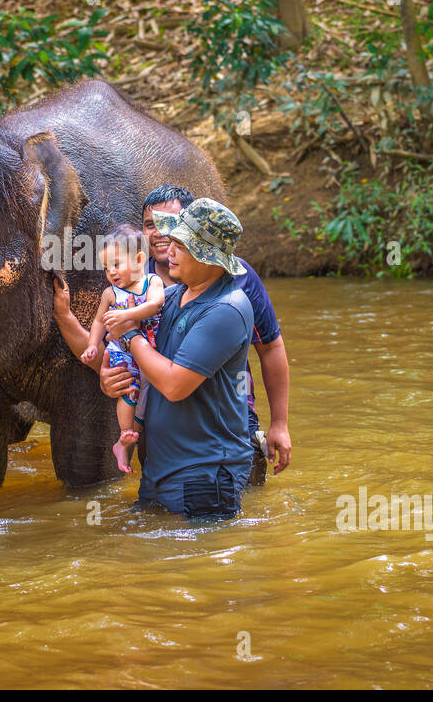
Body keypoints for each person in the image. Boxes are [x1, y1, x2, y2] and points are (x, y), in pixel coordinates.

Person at [53, 184, 293, 481]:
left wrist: (279, 423)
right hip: (163, 425)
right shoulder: (129, 280)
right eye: (150, 225)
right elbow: (111, 351)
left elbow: (270, 347)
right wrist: (108, 377)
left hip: (226, 420)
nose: (161, 234)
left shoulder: (235, 282)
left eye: (173, 226)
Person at [111, 198, 255, 517]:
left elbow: (175, 385)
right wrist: (111, 378)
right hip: (159, 472)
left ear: (209, 257)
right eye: (171, 241)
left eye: (181, 244)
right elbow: (135, 361)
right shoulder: (171, 297)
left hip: (205, 474)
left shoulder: (225, 309)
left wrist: (131, 335)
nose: (168, 250)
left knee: (201, 563)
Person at [74, 225, 165, 473]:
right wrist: (93, 345)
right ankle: (125, 437)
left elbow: (156, 305)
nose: (111, 272)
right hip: (121, 352)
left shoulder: (152, 282)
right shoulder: (110, 294)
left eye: (116, 264)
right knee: (130, 388)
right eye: (106, 267)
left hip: (151, 349)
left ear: (138, 259)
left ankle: (135, 430)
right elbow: (97, 322)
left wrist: (127, 315)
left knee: (150, 387)